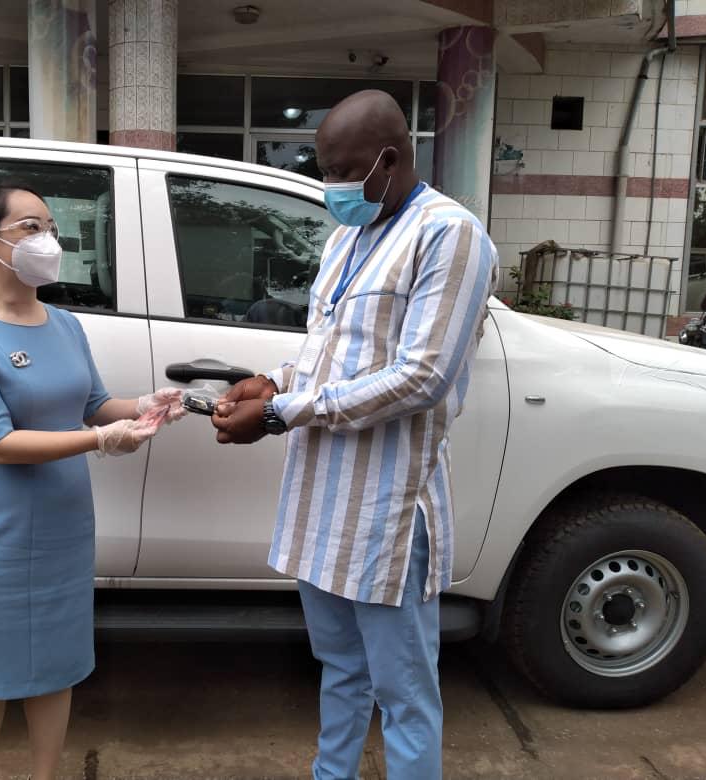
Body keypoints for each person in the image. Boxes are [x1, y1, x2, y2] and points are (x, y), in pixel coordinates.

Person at [211, 90, 498, 780]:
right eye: (325, 168)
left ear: (389, 158)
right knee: (340, 669)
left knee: (404, 693)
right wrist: (274, 383)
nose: (332, 185)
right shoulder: (347, 237)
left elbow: (420, 378)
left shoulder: (449, 234)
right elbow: (331, 347)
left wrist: (283, 414)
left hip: (387, 513)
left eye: (342, 169)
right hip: (323, 503)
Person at [0, 184, 184, 780]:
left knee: (57, 665)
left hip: (67, 524)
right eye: (30, 228)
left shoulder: (65, 323)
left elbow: (94, 403)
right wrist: (99, 442)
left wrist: (143, 405)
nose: (48, 240)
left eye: (51, 227)